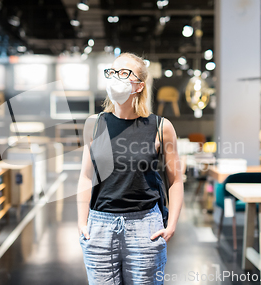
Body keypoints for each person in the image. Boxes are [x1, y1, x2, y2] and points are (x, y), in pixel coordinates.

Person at [77, 52, 184, 285]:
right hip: (100, 226)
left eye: (124, 73)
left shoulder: (160, 127)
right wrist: (82, 222)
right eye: (113, 72)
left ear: (139, 85)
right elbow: (86, 176)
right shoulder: (94, 124)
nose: (117, 77)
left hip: (145, 225)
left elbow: (175, 180)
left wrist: (172, 224)